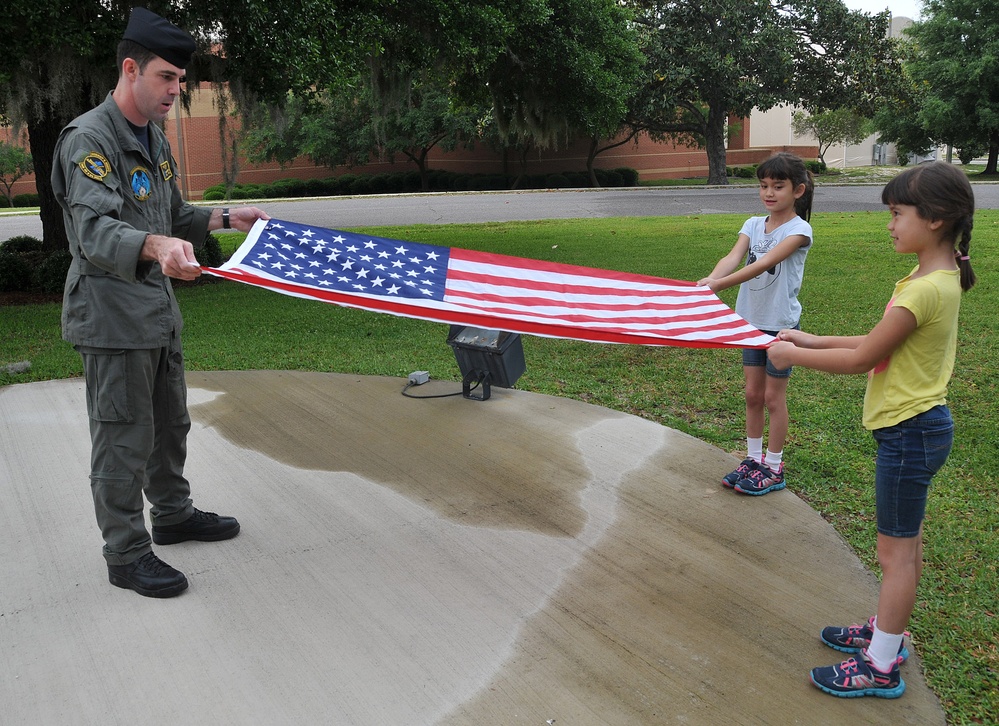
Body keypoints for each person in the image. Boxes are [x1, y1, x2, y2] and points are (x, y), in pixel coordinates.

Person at [51, 7, 270, 598]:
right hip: (112, 319)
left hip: (156, 313)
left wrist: (228, 215)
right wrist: (155, 246)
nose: (177, 91)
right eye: (167, 78)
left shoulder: (152, 136)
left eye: (180, 80)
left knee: (170, 425)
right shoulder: (89, 140)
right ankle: (125, 554)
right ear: (131, 69)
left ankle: (172, 516)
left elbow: (172, 215)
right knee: (124, 438)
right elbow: (94, 233)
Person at [768, 162, 976, 698]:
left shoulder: (923, 291)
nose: (889, 224)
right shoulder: (934, 278)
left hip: (910, 433)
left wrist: (792, 354)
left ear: (937, 219)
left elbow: (862, 360)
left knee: (895, 555)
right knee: (903, 549)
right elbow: (873, 343)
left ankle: (880, 663)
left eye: (897, 213)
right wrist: (811, 339)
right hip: (918, 430)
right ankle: (889, 633)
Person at [698, 152, 814, 495]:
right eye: (764, 185)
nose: (769, 192)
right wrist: (711, 278)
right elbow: (733, 256)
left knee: (773, 398)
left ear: (799, 190)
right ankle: (752, 460)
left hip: (780, 327)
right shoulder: (752, 224)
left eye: (778, 186)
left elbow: (763, 263)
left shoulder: (799, 230)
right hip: (748, 323)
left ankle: (774, 467)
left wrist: (721, 285)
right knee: (752, 394)